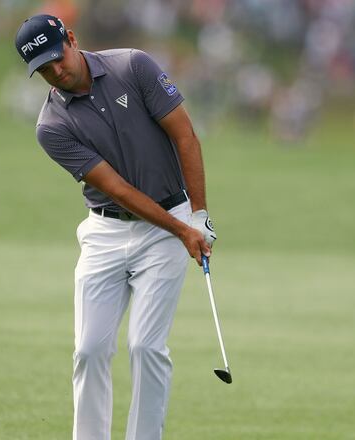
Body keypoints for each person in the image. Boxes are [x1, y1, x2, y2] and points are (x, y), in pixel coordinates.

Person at [14, 14, 217, 440]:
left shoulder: (133, 66)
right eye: (44, 70)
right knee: (89, 349)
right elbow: (118, 190)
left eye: (57, 57)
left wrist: (197, 216)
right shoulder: (51, 126)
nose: (56, 71)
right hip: (106, 232)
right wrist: (183, 231)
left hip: (167, 223)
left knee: (145, 345)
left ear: (71, 39)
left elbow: (185, 135)